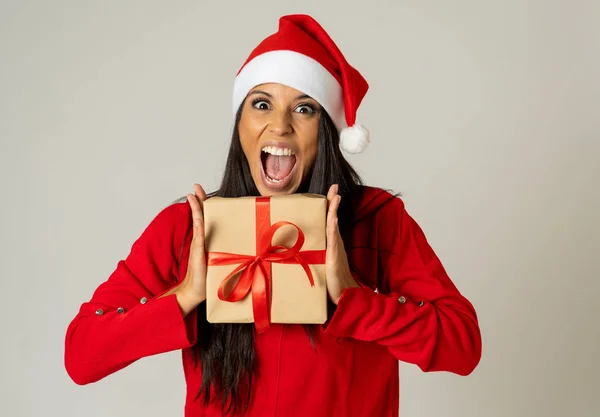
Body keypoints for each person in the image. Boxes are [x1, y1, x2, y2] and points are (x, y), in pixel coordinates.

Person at [64, 14, 482, 417]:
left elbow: (463, 346)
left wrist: (356, 297)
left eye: (304, 109)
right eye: (261, 104)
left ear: (328, 131)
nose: (280, 126)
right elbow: (81, 355)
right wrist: (186, 296)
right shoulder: (186, 227)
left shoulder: (379, 219)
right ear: (239, 123)